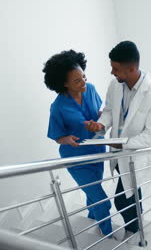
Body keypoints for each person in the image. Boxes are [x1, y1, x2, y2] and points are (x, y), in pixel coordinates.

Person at [85, 41, 151, 246]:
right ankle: (135, 223)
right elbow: (110, 111)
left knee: (123, 198)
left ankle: (134, 228)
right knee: (131, 192)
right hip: (117, 151)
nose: (112, 72)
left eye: (116, 69)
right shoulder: (115, 85)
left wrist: (124, 144)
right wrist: (100, 127)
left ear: (132, 68)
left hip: (133, 154)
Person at [43, 50, 114, 236]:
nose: (83, 82)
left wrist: (102, 120)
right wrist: (66, 139)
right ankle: (106, 233)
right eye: (77, 80)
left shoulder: (89, 88)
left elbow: (100, 113)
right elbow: (57, 135)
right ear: (64, 84)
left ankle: (92, 215)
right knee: (102, 201)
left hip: (98, 150)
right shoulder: (58, 107)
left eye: (83, 76)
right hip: (76, 159)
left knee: (94, 189)